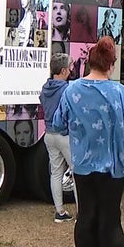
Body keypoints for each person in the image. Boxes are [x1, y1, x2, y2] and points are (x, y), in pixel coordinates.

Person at [52, 37, 124, 247]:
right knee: (109, 215)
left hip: (82, 164)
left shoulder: (71, 91)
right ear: (110, 65)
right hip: (113, 166)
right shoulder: (120, 93)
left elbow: (58, 124)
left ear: (90, 62)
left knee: (85, 214)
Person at [40, 53, 77, 223]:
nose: (71, 70)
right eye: (69, 67)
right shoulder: (68, 89)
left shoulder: (44, 88)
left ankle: (59, 211)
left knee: (56, 173)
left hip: (49, 134)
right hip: (65, 135)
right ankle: (82, 212)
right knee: (77, 173)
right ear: (63, 70)